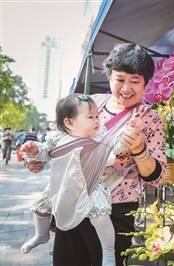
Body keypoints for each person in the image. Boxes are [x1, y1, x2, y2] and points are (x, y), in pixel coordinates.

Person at [25, 43, 166, 266]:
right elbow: (63, 142)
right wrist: (37, 161)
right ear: (110, 77)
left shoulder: (150, 118)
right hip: (73, 199)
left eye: (135, 81)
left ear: (146, 84)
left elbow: (156, 177)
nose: (126, 88)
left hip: (115, 209)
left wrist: (139, 150)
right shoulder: (89, 104)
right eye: (119, 80)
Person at [21, 94, 116, 266]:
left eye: (97, 116)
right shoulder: (57, 138)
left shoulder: (98, 138)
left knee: (101, 217)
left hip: (90, 187)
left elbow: (110, 156)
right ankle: (41, 235)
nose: (96, 121)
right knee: (40, 208)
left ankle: (108, 252)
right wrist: (34, 150)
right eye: (90, 117)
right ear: (69, 123)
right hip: (61, 186)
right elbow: (44, 153)